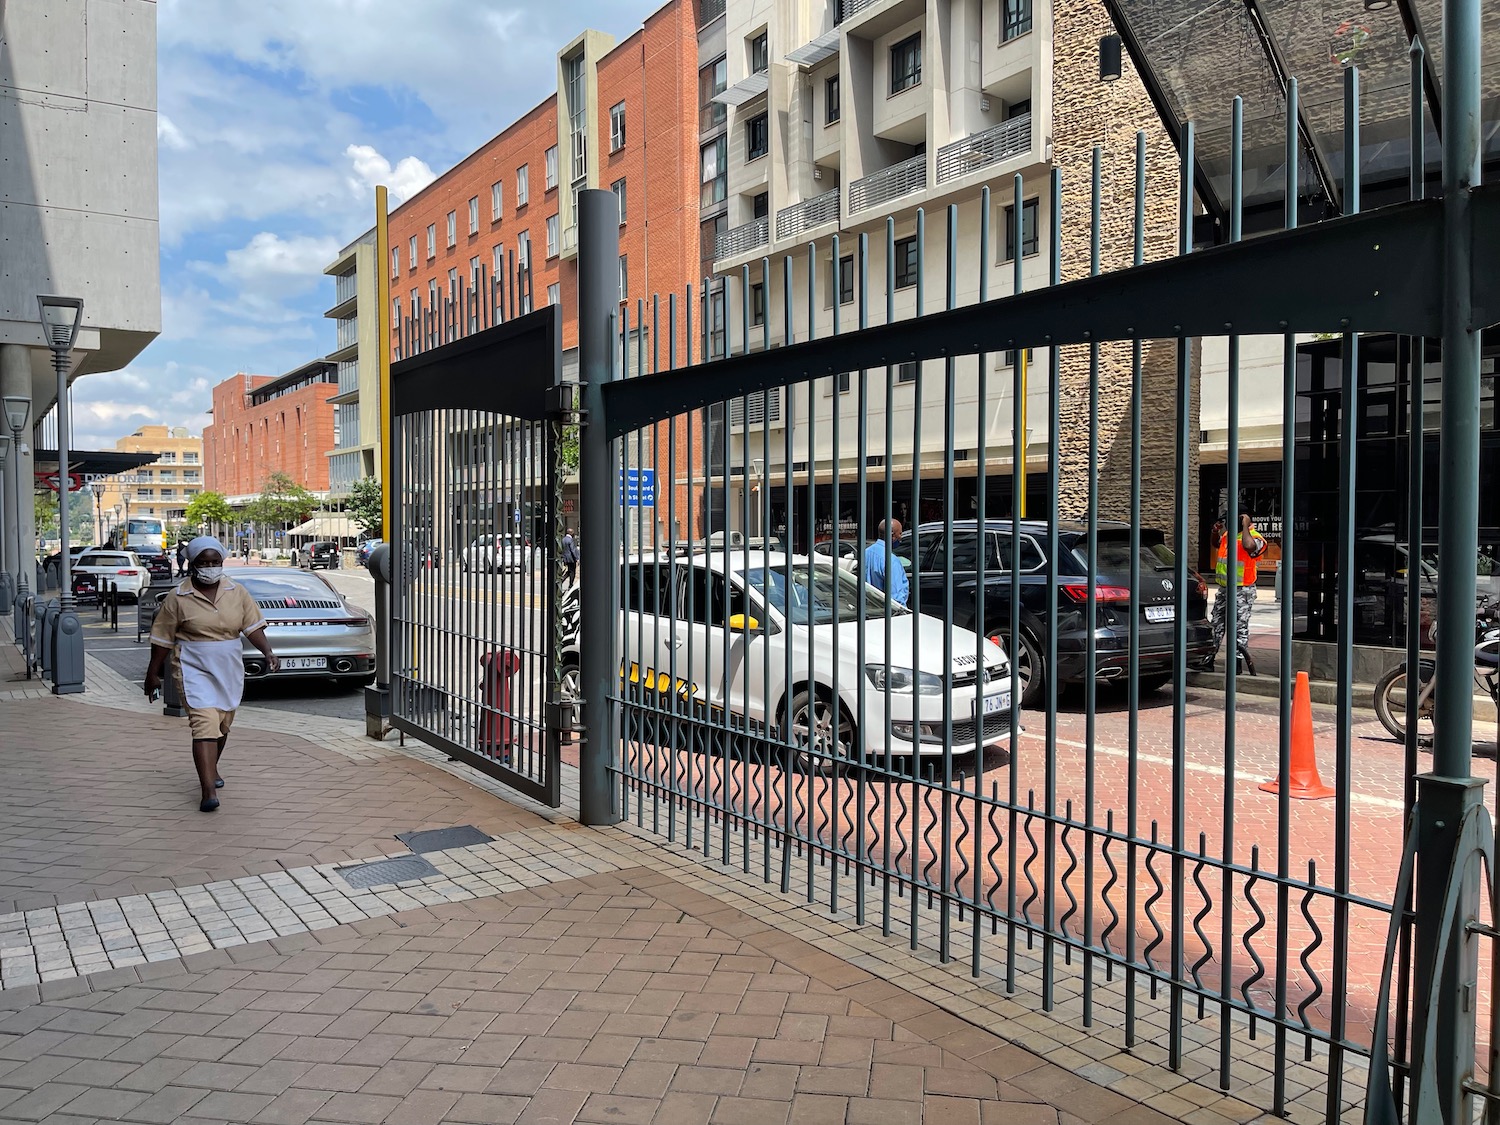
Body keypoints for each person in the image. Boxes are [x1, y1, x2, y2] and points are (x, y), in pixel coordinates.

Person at [144, 537, 279, 812]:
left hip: (228, 665)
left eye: (214, 562)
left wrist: (268, 652)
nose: (209, 567)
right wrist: (152, 674)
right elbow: (162, 639)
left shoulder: (236, 592)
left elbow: (252, 627)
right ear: (192, 564)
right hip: (193, 665)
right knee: (204, 723)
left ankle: (212, 767)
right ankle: (207, 791)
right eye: (203, 563)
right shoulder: (178, 597)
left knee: (223, 722)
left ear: (222, 562)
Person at [1209, 511, 1268, 671]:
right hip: (1224, 588)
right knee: (1217, 623)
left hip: (1243, 589)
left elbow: (1250, 547)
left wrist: (1246, 525)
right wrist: (1215, 531)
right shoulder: (1228, 535)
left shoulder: (1255, 537)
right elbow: (1216, 544)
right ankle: (1209, 658)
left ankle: (1237, 663)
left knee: (1239, 626)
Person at [862, 519, 909, 608]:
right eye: (900, 533)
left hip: (868, 610)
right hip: (885, 612)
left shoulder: (865, 553)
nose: (901, 537)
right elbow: (896, 598)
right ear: (892, 535)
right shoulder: (891, 560)